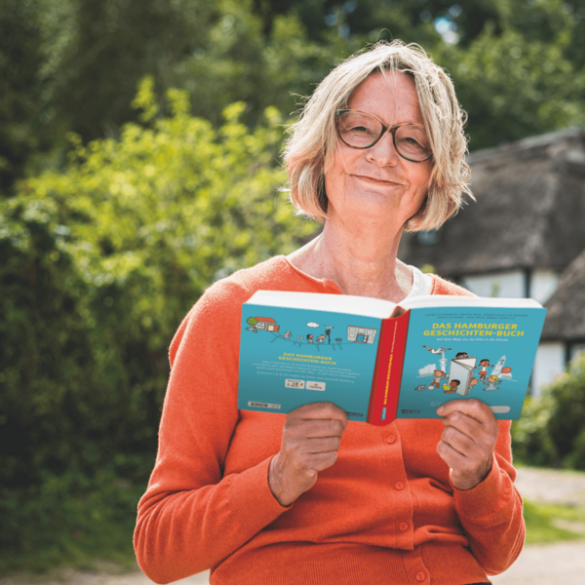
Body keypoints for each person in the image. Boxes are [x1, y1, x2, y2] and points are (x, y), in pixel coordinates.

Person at [134, 41, 524, 585]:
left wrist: (479, 475)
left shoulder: (468, 324)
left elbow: (500, 553)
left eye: (412, 140)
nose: (384, 156)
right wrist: (278, 477)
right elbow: (158, 548)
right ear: (322, 147)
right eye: (360, 128)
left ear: (432, 175)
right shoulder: (233, 311)